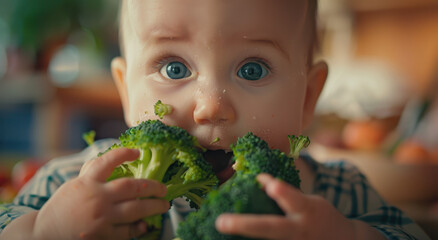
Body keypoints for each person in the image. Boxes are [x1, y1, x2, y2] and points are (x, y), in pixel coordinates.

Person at [0, 1, 431, 239]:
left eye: (252, 70)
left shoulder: (340, 194)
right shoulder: (76, 182)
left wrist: (348, 238)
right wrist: (43, 231)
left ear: (308, 97)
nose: (211, 106)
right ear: (125, 90)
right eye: (173, 68)